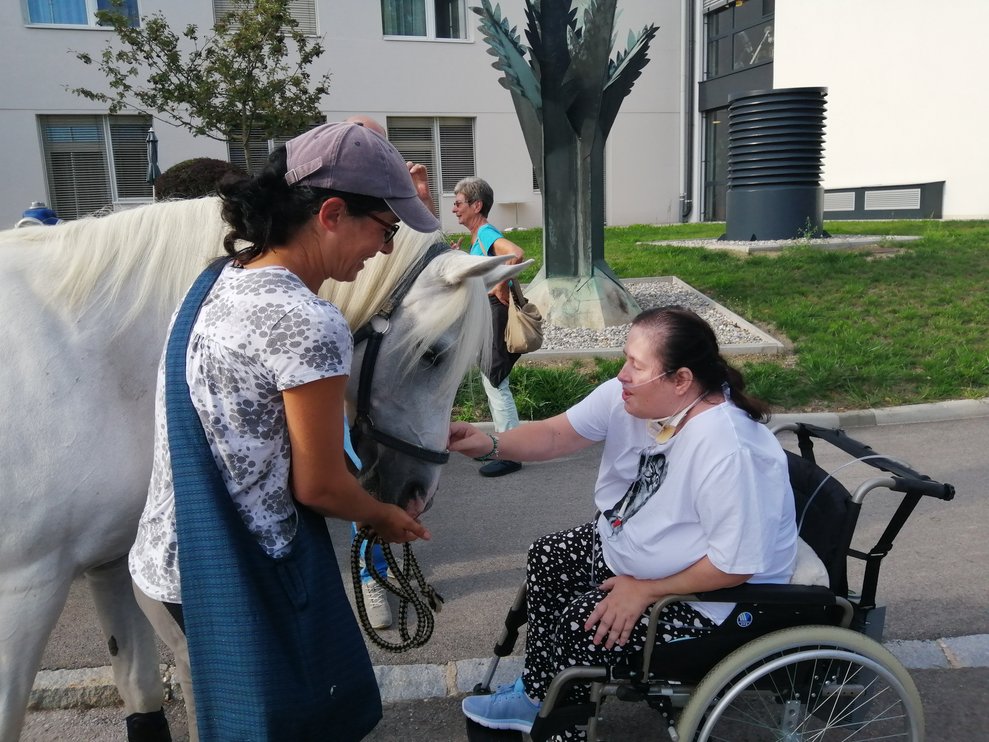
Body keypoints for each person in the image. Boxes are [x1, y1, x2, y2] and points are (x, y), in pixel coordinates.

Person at [128, 121, 437, 740]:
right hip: (229, 579)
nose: (382, 249)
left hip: (166, 561)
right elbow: (319, 486)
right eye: (385, 229)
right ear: (331, 213)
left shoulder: (217, 281)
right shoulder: (308, 320)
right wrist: (380, 514)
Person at [450, 306, 798, 736]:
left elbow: (735, 565)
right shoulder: (632, 399)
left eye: (636, 364)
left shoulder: (728, 448)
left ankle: (562, 725)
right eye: (625, 358)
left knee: (583, 624)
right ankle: (537, 695)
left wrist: (645, 589)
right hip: (636, 551)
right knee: (548, 556)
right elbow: (558, 433)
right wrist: (490, 444)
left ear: (681, 379)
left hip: (718, 601)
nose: (621, 375)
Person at [343, 114, 436, 629]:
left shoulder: (396, 208)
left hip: (377, 367)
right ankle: (371, 577)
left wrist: (418, 202)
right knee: (359, 481)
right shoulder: (344, 216)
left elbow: (430, 263)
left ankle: (379, 572)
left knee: (377, 478)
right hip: (343, 361)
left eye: (381, 145)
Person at [452, 176, 526, 477]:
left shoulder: (485, 232)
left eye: (458, 203)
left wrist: (500, 283)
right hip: (487, 316)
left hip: (494, 315)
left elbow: (516, 253)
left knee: (496, 383)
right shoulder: (477, 237)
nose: (455, 209)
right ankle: (503, 446)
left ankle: (511, 452)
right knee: (491, 382)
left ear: (476, 205)